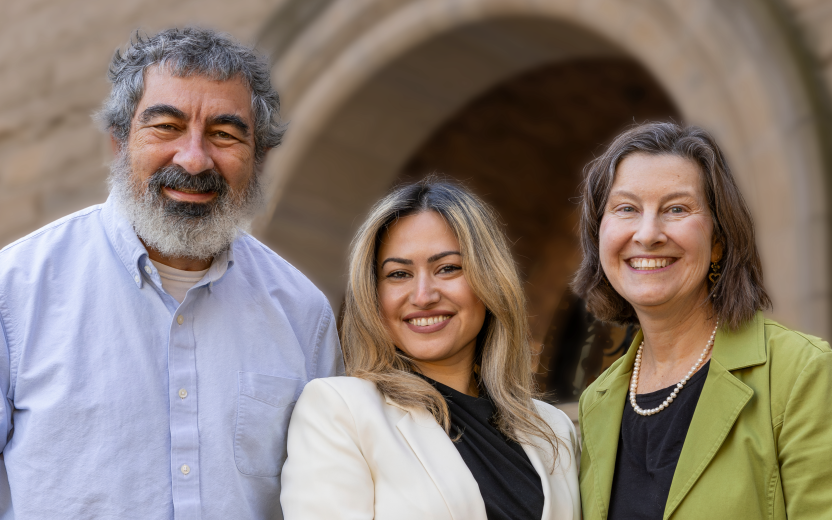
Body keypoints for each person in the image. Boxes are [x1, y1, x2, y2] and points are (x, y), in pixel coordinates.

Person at [0, 28, 343, 518]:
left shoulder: (303, 315)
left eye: (225, 134)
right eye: (166, 126)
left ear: (259, 159)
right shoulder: (13, 293)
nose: (194, 158)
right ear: (119, 141)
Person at [573, 122, 832, 519]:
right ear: (599, 234)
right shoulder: (596, 403)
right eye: (626, 208)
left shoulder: (802, 373)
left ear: (718, 241)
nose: (647, 233)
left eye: (677, 209)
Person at [280, 179, 581, 520]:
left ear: (489, 280)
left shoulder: (553, 428)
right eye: (398, 274)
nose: (423, 296)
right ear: (373, 295)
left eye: (448, 268)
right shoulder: (341, 410)